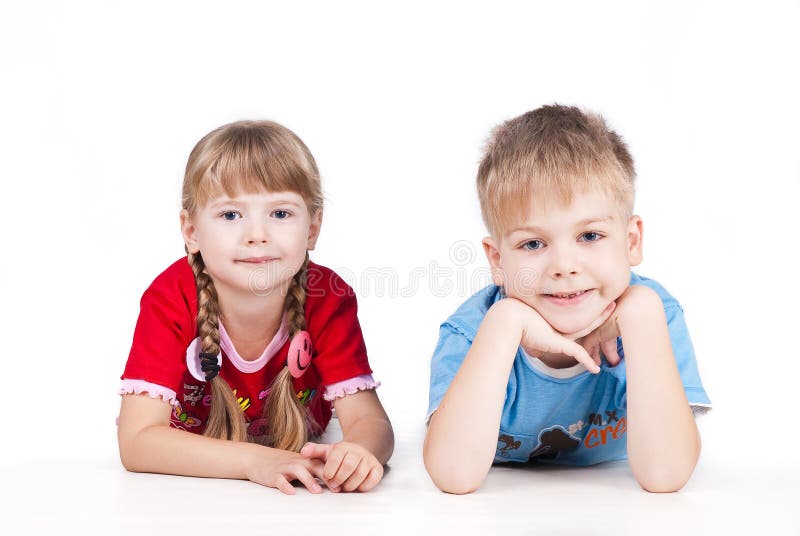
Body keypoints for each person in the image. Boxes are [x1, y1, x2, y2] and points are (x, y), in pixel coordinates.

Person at [423, 105, 711, 494]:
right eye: (533, 243)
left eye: (589, 236)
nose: (564, 266)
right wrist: (507, 321)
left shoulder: (654, 314)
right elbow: (453, 475)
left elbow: (665, 475)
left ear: (631, 242)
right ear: (498, 260)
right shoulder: (472, 332)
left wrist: (641, 315)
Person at [118, 120, 394, 495]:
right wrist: (254, 461)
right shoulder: (171, 297)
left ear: (312, 228)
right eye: (231, 215)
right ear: (191, 231)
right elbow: (137, 441)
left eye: (280, 213)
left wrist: (358, 453)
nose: (257, 234)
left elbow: (370, 421)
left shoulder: (328, 296)